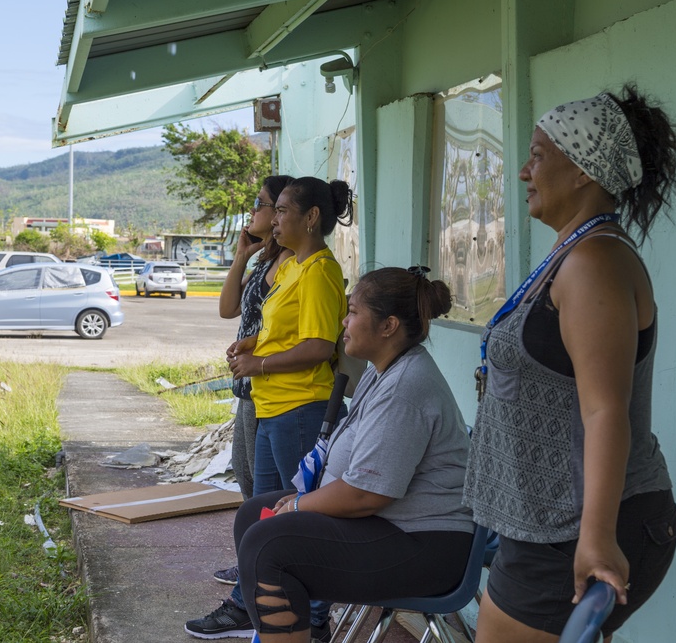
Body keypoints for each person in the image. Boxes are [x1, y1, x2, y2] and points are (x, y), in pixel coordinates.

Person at [463, 84, 676, 643]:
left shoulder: (594, 262)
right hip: (549, 523)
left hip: (576, 527)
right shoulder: (574, 253)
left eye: (538, 155)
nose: (523, 171)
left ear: (583, 170)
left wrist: (596, 537)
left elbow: (605, 411)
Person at [191, 267, 474, 643]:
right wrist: (301, 501)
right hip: (389, 524)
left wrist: (298, 506)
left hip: (425, 545)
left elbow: (365, 494)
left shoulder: (406, 387)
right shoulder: (382, 371)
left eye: (354, 312)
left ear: (388, 325)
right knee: (252, 516)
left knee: (268, 546)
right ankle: (291, 630)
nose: (344, 320)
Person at [186, 177, 353, 640]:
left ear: (311, 217)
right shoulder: (293, 267)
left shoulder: (319, 269)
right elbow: (288, 329)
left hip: (301, 405)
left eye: (281, 210)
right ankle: (255, 606)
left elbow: (319, 345)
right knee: (265, 518)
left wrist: (258, 361)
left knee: (299, 520)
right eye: (273, 210)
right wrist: (253, 341)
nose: (273, 220)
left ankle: (311, 619)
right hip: (273, 404)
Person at [213, 174, 294, 586]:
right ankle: (254, 564)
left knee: (267, 486)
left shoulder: (292, 264)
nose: (255, 211)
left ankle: (262, 568)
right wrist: (241, 256)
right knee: (247, 477)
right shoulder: (264, 260)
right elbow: (228, 309)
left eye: (263, 204)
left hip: (270, 385)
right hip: (248, 386)